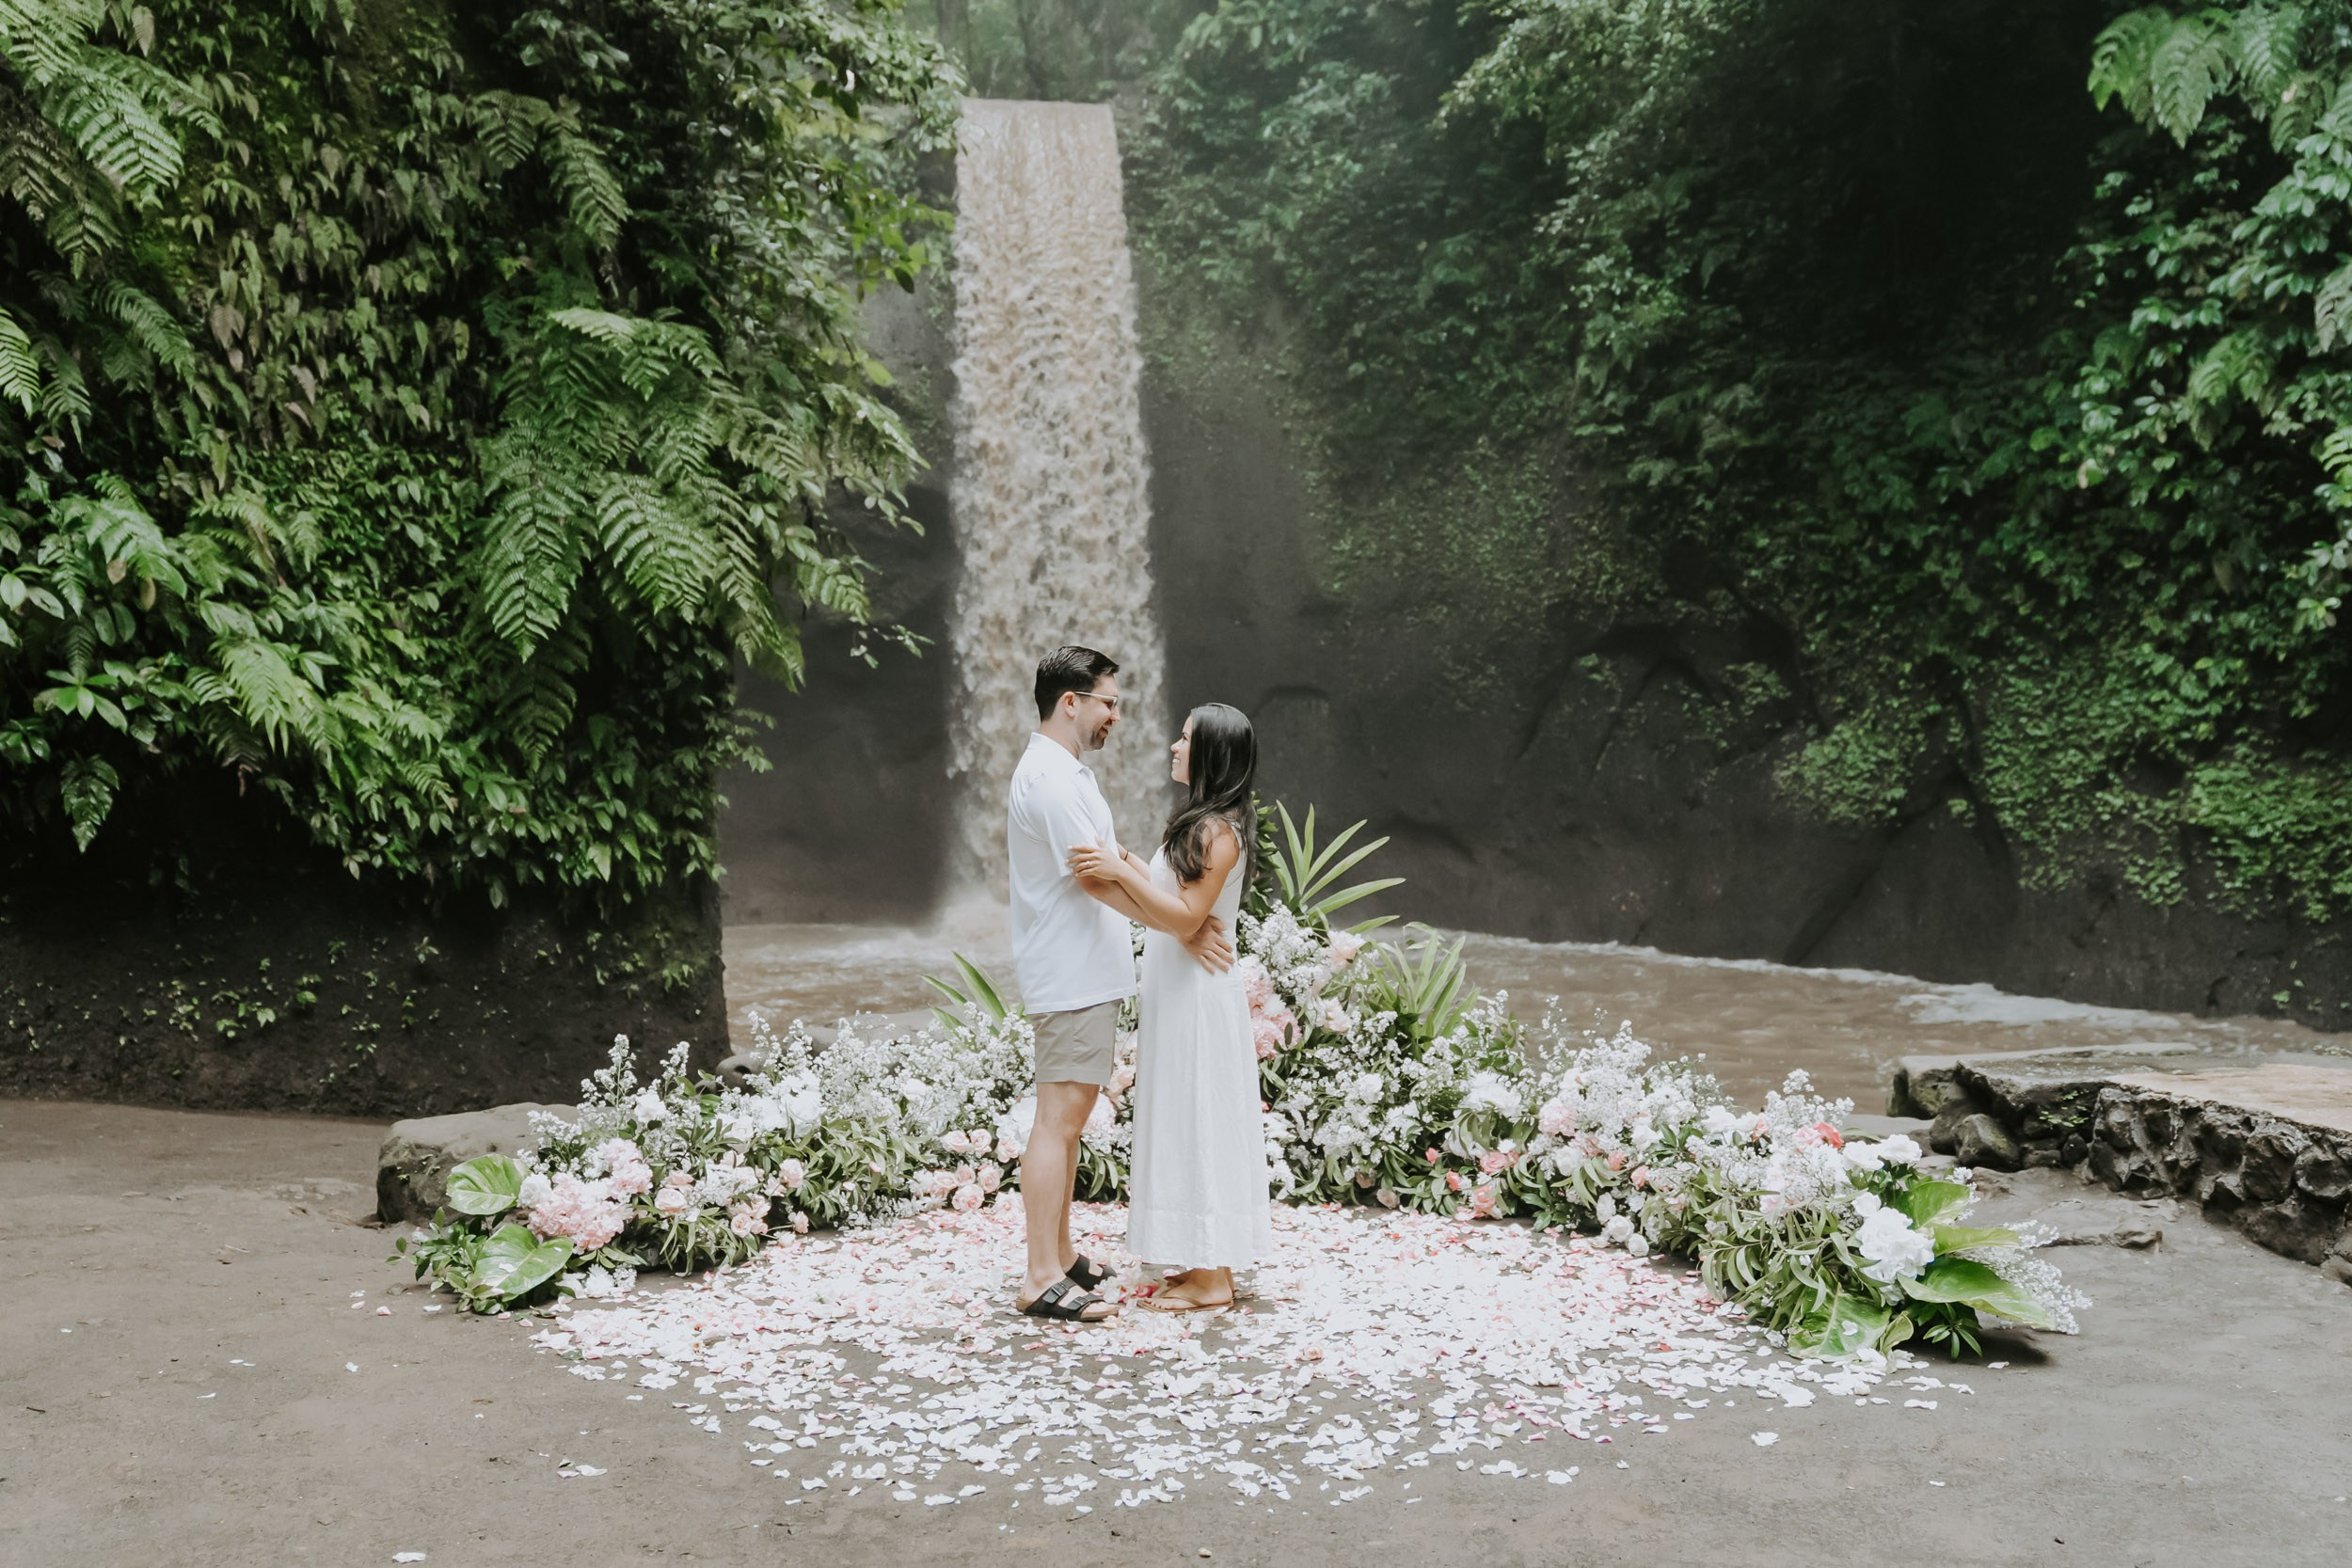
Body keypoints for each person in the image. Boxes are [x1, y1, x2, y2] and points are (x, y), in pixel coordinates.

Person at [1006, 646, 1232, 1322]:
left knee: (1068, 1122)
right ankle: (1040, 1274)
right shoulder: (1051, 779)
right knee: (1059, 1121)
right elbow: (1096, 877)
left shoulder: (1062, 772)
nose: (1117, 715)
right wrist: (1181, 927)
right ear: (1069, 701)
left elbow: (1111, 865)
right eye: (1108, 701)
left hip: (1080, 971)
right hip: (1069, 973)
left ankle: (1063, 1252)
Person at [1068, 703, 1272, 1313]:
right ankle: (1202, 1261)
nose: (1174, 746)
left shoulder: (1218, 831)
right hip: (1178, 992)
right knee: (1185, 1117)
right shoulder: (1200, 822)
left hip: (1200, 999)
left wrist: (1119, 876)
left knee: (1202, 1118)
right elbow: (1173, 900)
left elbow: (1184, 917)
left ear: (1210, 752)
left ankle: (1214, 1278)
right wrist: (1123, 859)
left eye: (1185, 739)